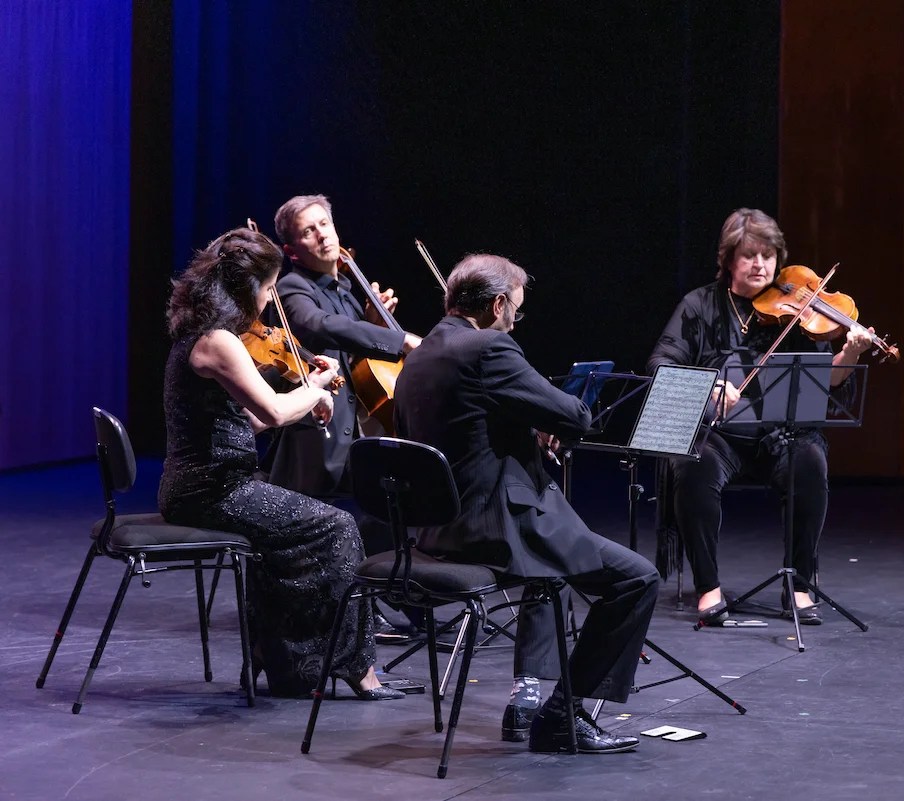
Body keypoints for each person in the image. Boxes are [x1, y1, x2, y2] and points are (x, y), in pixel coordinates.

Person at [392, 253, 659, 754]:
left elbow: (463, 429)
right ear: (496, 305)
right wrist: (543, 419)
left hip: (436, 529)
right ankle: (563, 715)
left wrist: (520, 425)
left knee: (552, 573)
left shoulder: (421, 355)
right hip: (495, 526)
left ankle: (531, 697)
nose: (515, 318)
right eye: (515, 308)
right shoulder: (491, 347)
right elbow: (575, 417)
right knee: (636, 579)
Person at [157, 227, 403, 701]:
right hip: (212, 490)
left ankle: (291, 668)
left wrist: (302, 398)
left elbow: (248, 420)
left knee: (288, 544)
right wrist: (313, 391)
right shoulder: (218, 341)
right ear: (248, 289)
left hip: (208, 485)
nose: (271, 302)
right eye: (269, 289)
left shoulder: (203, 335)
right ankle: (359, 668)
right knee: (338, 527)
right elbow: (270, 411)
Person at [646, 208, 873, 626]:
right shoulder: (699, 305)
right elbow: (661, 362)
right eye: (749, 255)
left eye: (768, 256)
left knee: (811, 462)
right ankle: (708, 588)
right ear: (729, 259)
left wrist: (852, 352)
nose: (760, 265)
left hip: (780, 435)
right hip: (720, 437)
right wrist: (709, 386)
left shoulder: (798, 310)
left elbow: (828, 379)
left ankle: (799, 585)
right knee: (690, 464)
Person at [266, 194, 424, 642]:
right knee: (355, 515)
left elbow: (353, 355)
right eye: (308, 231)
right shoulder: (294, 288)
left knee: (401, 501)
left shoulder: (348, 292)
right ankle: (357, 599)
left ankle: (374, 593)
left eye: (324, 224)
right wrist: (394, 338)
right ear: (292, 250)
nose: (322, 235)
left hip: (357, 433)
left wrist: (373, 319)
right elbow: (319, 327)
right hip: (317, 436)